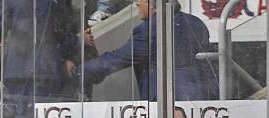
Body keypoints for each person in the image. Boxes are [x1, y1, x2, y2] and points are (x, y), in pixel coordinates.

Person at [72, 0, 219, 101]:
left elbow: (116, 60)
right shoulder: (196, 23)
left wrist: (77, 72)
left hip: (169, 105)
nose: (137, 3)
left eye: (140, 0)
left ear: (152, 4)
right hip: (202, 99)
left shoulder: (149, 31)